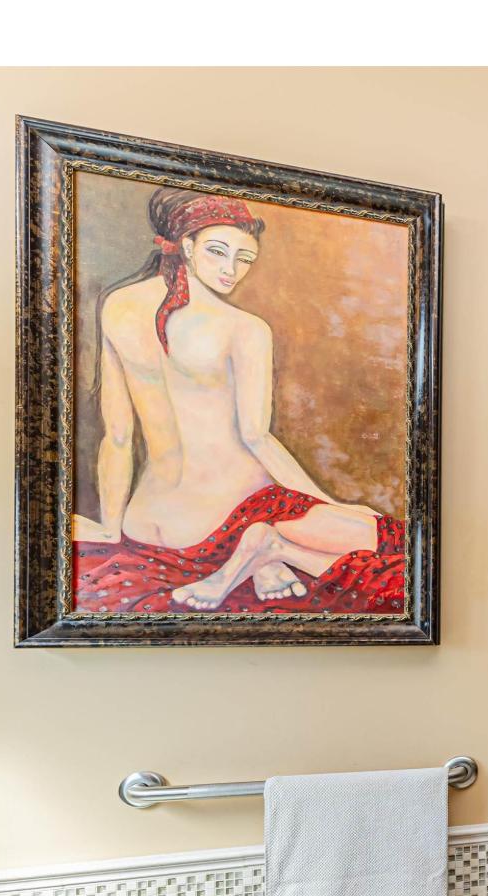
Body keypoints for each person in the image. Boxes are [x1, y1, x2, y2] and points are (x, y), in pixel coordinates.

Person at [72, 187, 404, 615]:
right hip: (233, 516)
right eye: (218, 252)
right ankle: (265, 548)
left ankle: (272, 553)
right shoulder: (245, 328)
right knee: (392, 541)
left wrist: (112, 528)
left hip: (147, 521)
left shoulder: (117, 307)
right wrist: (328, 503)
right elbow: (256, 437)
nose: (231, 270)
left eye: (244, 259)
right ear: (186, 245)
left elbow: (117, 436)